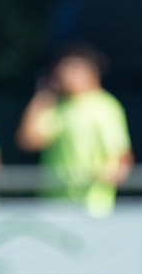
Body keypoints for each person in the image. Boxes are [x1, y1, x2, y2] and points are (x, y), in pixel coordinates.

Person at [16, 43, 133, 216]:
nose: (64, 75)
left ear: (90, 71)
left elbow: (121, 158)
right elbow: (29, 140)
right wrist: (43, 94)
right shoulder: (57, 108)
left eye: (71, 69)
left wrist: (102, 178)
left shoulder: (105, 107)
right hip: (52, 205)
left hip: (92, 208)